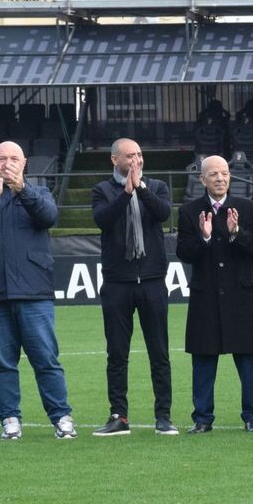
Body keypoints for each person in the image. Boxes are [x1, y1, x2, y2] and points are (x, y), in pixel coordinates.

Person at [0, 140, 74, 440]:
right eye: (2, 158)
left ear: (25, 163)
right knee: (1, 362)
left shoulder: (39, 193)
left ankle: (61, 417)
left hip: (34, 292)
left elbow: (49, 217)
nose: (7, 163)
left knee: (46, 359)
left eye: (14, 158)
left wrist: (22, 189)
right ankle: (9, 419)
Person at [175, 155, 253, 433]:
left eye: (224, 173)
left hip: (241, 296)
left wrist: (236, 233)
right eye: (213, 174)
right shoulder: (190, 211)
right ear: (202, 179)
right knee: (203, 359)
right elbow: (183, 252)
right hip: (206, 298)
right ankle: (202, 419)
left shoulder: (247, 209)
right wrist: (203, 238)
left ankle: (252, 417)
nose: (220, 178)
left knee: (247, 358)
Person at [90, 137, 176, 435]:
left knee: (159, 352)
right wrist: (125, 194)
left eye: (139, 154)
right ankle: (119, 416)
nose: (136, 160)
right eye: (130, 156)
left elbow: (163, 214)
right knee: (117, 353)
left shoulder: (156, 186)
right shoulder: (102, 190)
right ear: (115, 160)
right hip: (117, 283)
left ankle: (163, 416)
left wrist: (139, 188)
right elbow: (103, 220)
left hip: (152, 281)